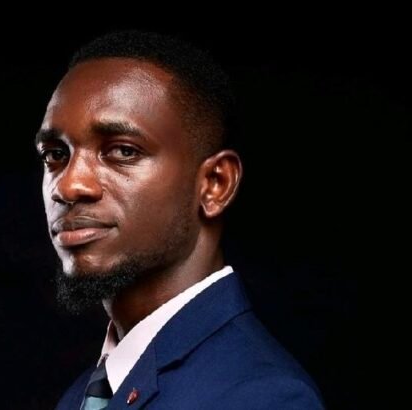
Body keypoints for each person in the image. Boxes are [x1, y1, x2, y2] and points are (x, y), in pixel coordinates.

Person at [34, 30, 324, 409]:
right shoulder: (82, 395)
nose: (69, 185)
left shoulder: (262, 397)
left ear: (215, 184)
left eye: (123, 151)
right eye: (55, 154)